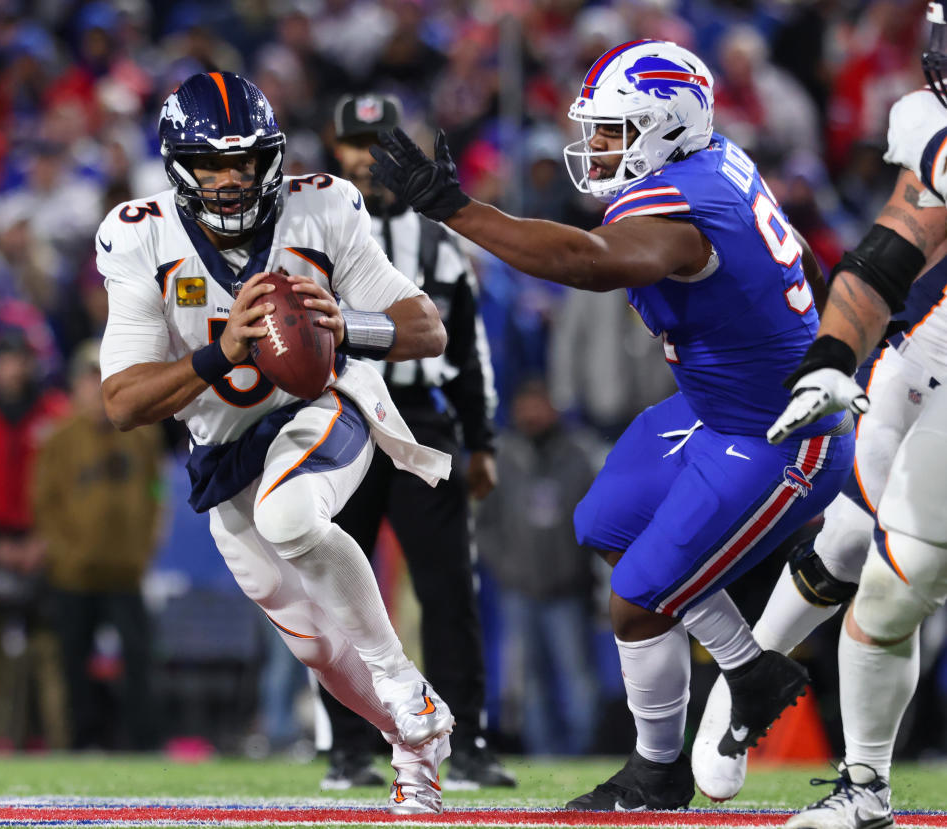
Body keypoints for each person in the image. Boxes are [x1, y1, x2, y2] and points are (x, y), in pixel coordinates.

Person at [369, 40, 855, 810]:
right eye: (593, 129)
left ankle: (656, 772)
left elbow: (591, 263)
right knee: (602, 521)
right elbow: (800, 260)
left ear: (664, 126)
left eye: (611, 130)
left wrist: (457, 210)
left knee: (634, 599)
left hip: (779, 433)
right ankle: (750, 666)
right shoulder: (716, 161)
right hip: (717, 408)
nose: (593, 146)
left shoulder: (681, 207)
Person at [98, 71, 455, 815]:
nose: (230, 182)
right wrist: (219, 352)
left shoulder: (321, 204)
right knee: (319, 650)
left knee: (291, 514)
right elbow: (123, 400)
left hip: (326, 403)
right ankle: (416, 754)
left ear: (274, 157)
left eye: (246, 162)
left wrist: (348, 326)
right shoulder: (139, 233)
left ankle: (398, 674)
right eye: (211, 166)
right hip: (223, 450)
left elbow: (427, 327)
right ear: (176, 166)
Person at [760, 5, 947, 824]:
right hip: (932, 352)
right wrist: (831, 358)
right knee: (870, 563)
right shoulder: (931, 127)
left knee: (890, 584)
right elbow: (892, 250)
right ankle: (852, 775)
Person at [692, 255, 947, 803]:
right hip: (909, 361)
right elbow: (899, 240)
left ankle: (865, 781)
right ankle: (747, 677)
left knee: (902, 574)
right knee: (848, 542)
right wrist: (835, 350)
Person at [316, 92, 513, 791]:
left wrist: (481, 437)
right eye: (354, 144)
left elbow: (469, 346)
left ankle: (473, 741)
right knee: (335, 583)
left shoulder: (439, 240)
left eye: (379, 143)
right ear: (332, 149)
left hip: (423, 415)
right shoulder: (310, 228)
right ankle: (345, 746)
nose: (367, 158)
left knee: (449, 587)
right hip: (337, 413)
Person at [34, 341, 166, 751]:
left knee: (139, 659)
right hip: (74, 574)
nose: (97, 387)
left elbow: (156, 492)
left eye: (105, 377)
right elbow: (43, 505)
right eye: (91, 378)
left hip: (125, 571)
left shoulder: (143, 437)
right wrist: (66, 553)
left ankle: (143, 743)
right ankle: (80, 742)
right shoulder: (58, 440)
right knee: (74, 663)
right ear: (75, 387)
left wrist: (145, 547)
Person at [474, 378, 600, 757]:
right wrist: (506, 567)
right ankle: (543, 754)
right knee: (529, 679)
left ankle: (584, 755)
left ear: (553, 407)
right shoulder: (501, 454)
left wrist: (579, 564)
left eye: (538, 404)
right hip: (520, 588)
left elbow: (597, 516)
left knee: (578, 676)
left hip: (569, 588)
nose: (531, 413)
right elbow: (484, 523)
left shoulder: (580, 453)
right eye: (524, 405)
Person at [0, 330, 70, 751]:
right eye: (4, 360)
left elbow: (67, 486)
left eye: (19, 359)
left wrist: (44, 539)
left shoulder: (56, 414)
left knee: (50, 655)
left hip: (43, 547)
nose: (12, 369)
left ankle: (61, 749)